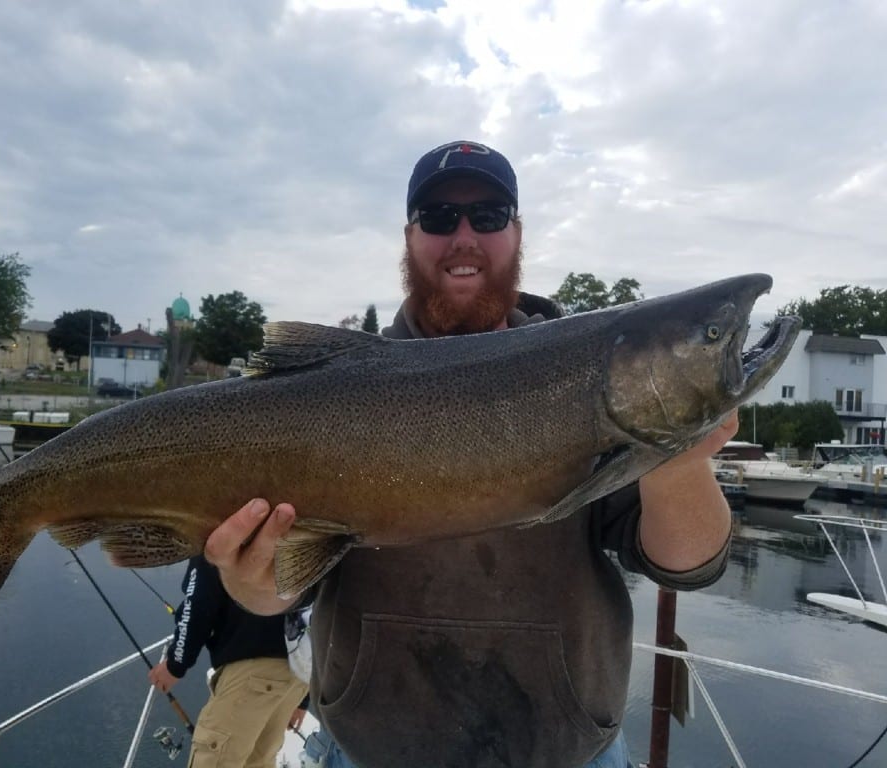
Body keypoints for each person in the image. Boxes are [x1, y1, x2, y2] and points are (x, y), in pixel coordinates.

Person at [204, 140, 737, 768]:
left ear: (517, 234)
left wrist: (680, 458)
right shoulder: (335, 388)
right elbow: (281, 589)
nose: (463, 237)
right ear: (409, 237)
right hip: (371, 752)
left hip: (569, 753)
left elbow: (686, 564)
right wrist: (250, 583)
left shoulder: (599, 377)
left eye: (487, 216)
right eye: (438, 217)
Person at [148, 554, 309, 768]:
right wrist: (304, 699)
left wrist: (174, 666)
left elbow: (198, 604)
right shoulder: (289, 535)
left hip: (253, 675)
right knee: (258, 762)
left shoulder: (214, 538)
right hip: (298, 674)